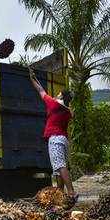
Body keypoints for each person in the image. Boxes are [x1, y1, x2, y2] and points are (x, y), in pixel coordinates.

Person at [29, 68, 78, 200]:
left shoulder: (53, 104)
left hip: (55, 139)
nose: (56, 94)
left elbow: (41, 90)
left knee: (60, 166)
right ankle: (60, 194)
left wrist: (32, 78)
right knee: (58, 168)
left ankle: (71, 192)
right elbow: (70, 111)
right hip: (63, 139)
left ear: (61, 96)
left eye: (58, 93)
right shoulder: (68, 111)